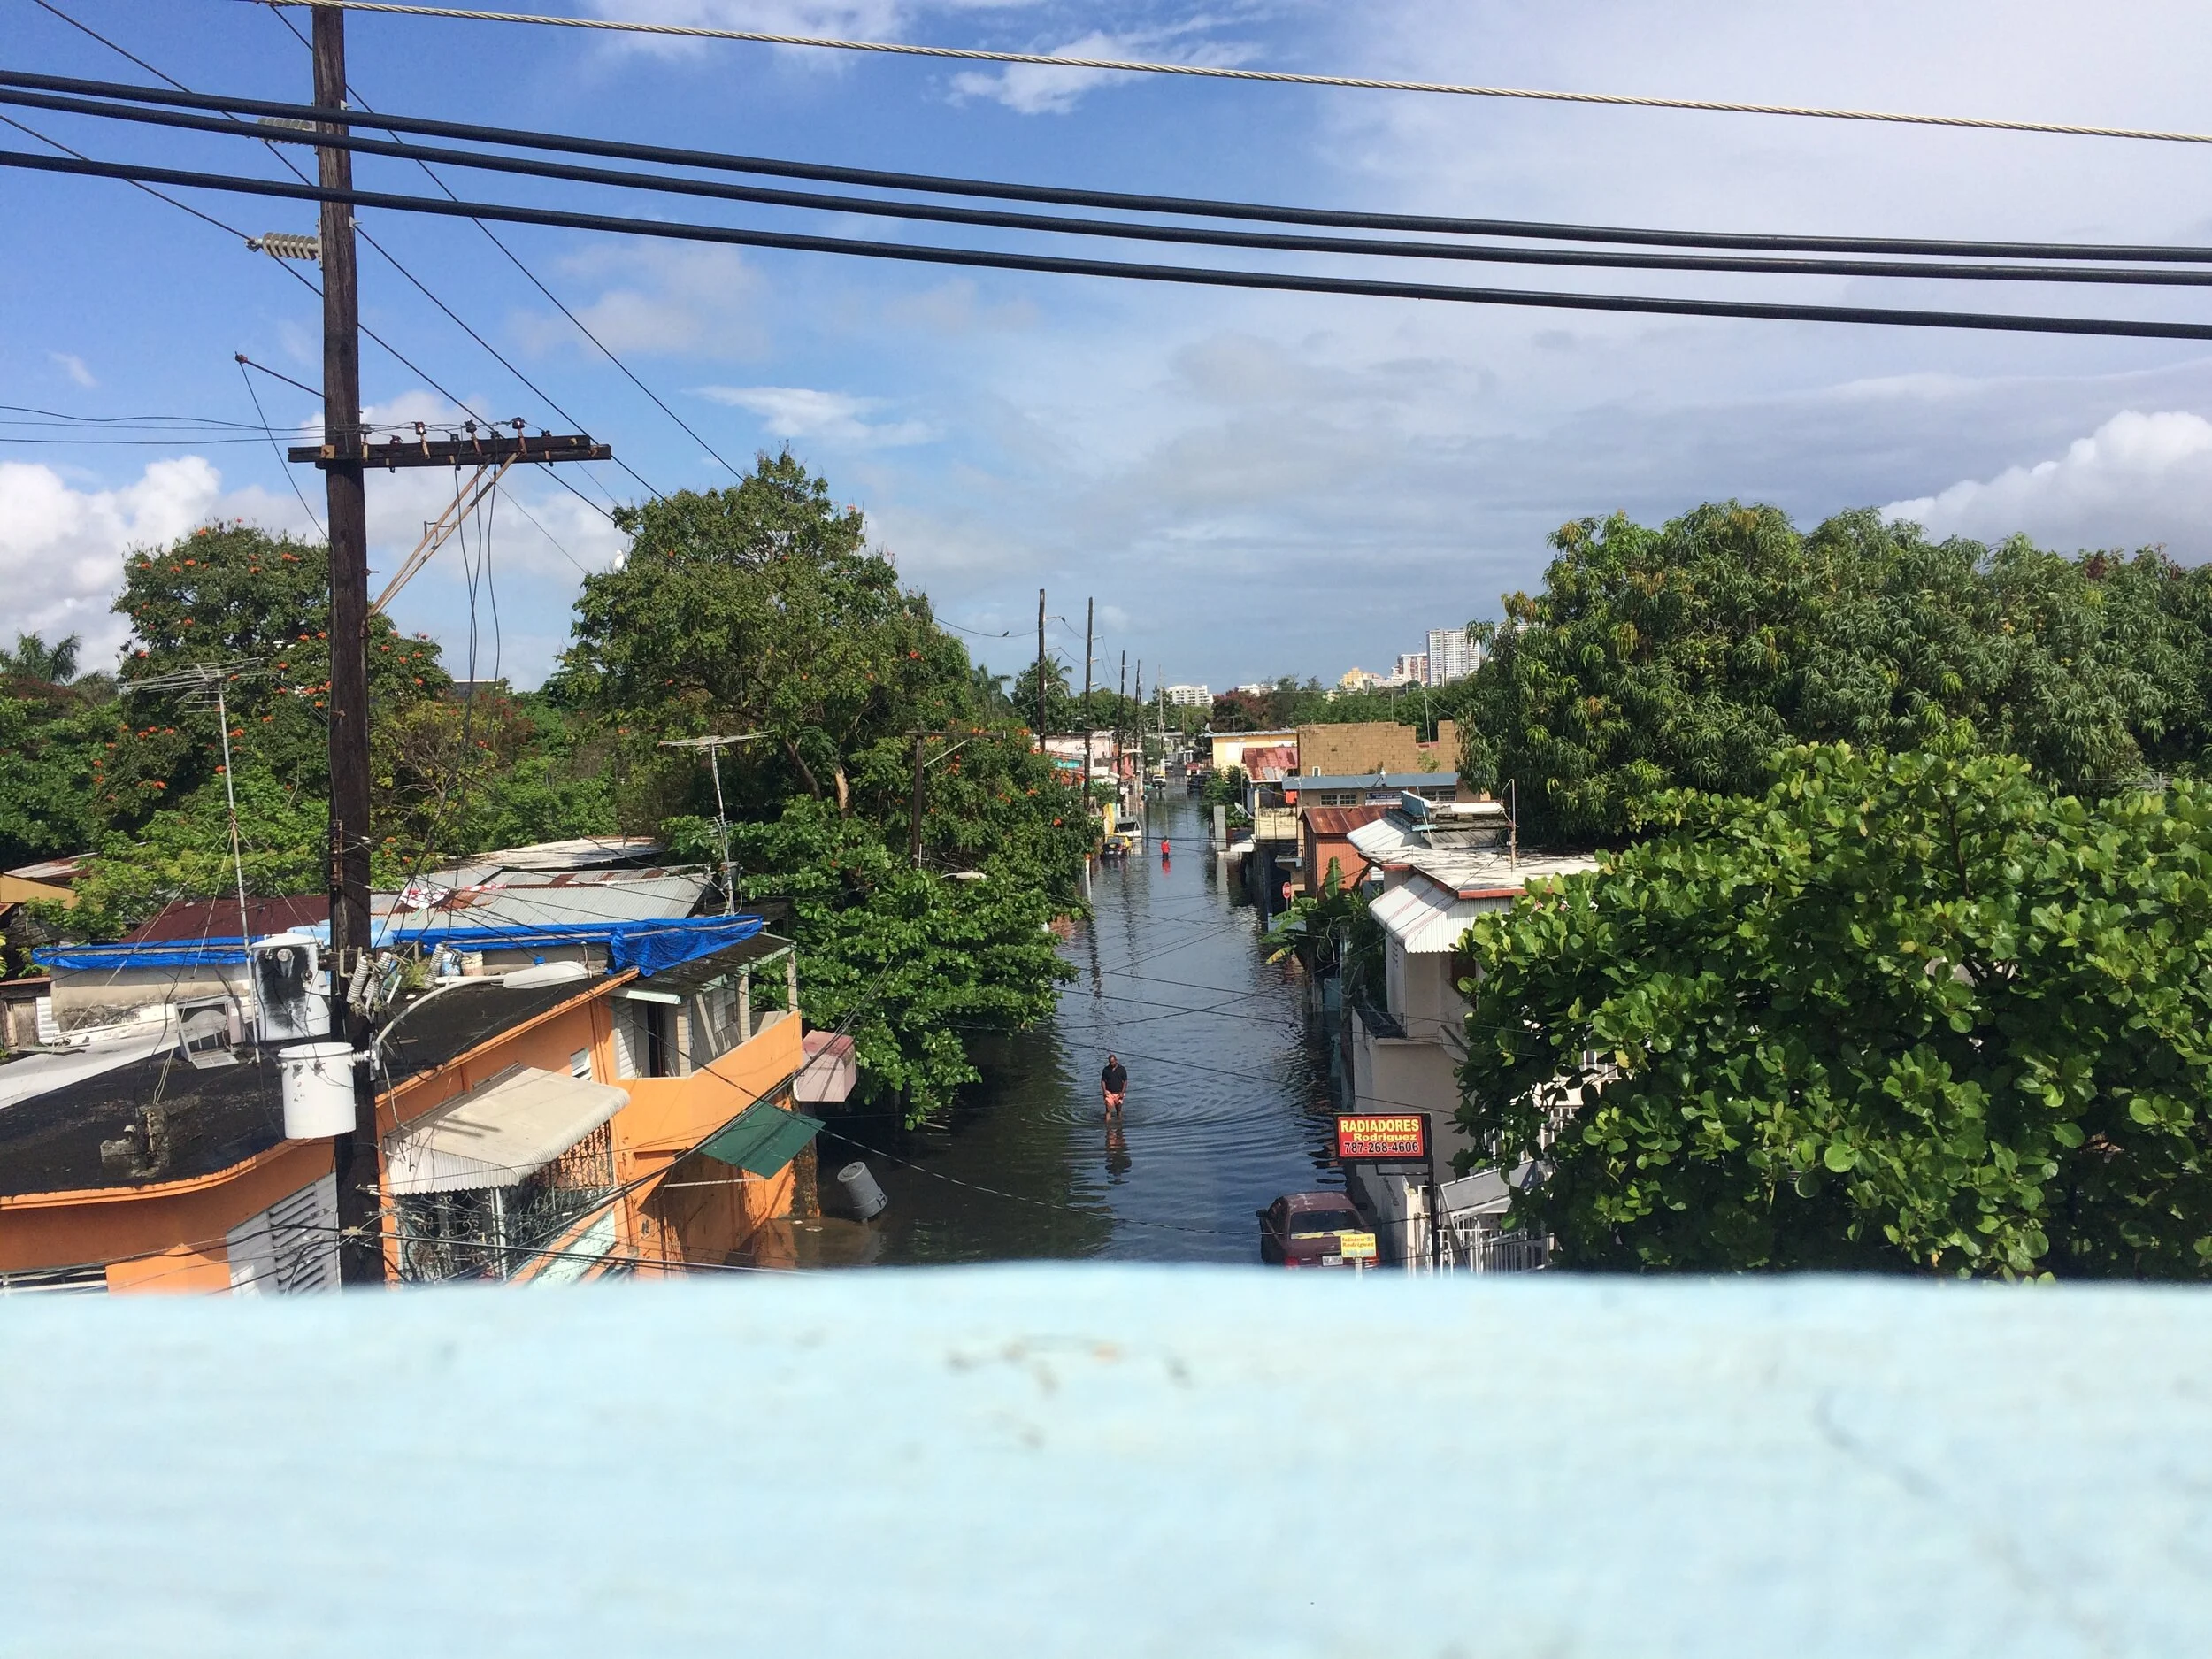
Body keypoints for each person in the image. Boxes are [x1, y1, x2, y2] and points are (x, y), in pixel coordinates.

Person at [1101, 1052, 1127, 1118]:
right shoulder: (1106, 1070)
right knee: (1108, 1109)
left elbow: (1125, 1081)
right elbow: (1103, 1081)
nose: (1111, 1064)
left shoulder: (1122, 1069)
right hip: (1109, 1093)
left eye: (1112, 1062)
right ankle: (1108, 1126)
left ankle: (1119, 1125)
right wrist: (1104, 1090)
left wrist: (1122, 1092)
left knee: (1119, 1110)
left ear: (1116, 1061)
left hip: (1119, 1093)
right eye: (1110, 1062)